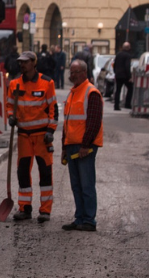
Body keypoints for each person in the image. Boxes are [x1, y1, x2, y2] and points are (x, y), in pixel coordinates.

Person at [6, 51, 59, 223]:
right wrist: (10, 117)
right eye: (20, 62)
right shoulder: (14, 84)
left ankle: (45, 211)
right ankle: (25, 208)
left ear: (34, 63)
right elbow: (9, 105)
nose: (22, 65)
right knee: (23, 172)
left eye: (26, 62)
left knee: (45, 173)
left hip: (42, 136)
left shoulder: (47, 83)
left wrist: (51, 130)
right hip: (23, 136)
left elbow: (53, 108)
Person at [61, 60, 103, 232]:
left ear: (84, 72)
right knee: (76, 185)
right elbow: (67, 123)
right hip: (72, 145)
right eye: (71, 72)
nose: (72, 75)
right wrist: (64, 146)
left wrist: (85, 145)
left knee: (86, 185)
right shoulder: (72, 93)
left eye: (76, 72)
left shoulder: (91, 92)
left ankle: (89, 220)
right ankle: (79, 218)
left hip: (85, 147)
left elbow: (93, 122)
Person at [113, 41, 133, 111]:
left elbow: (114, 64)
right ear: (128, 48)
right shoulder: (128, 55)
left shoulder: (118, 54)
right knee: (130, 88)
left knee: (118, 90)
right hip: (125, 76)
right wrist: (129, 76)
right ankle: (127, 104)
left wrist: (115, 72)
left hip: (118, 75)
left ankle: (116, 106)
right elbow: (127, 66)